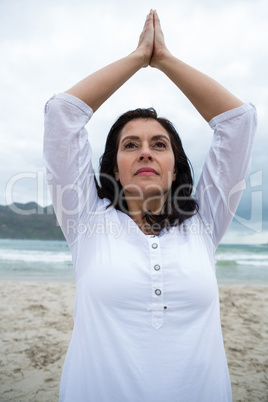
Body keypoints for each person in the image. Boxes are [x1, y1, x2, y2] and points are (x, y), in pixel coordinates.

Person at [43, 10, 257, 402]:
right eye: (130, 145)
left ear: (175, 169)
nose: (145, 152)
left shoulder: (204, 222)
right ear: (114, 168)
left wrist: (166, 60)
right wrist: (139, 57)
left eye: (159, 145)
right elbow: (62, 114)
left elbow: (238, 122)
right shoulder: (86, 221)